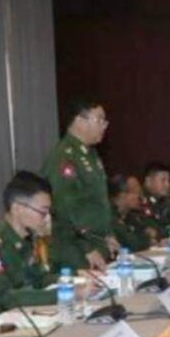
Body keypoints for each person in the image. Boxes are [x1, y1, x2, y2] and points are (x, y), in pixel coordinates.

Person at [0, 171, 59, 314]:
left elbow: (39, 279)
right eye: (43, 212)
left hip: (25, 315)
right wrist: (60, 295)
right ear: (17, 209)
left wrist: (72, 282)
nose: (47, 219)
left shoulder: (27, 238)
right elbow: (5, 299)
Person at [41, 99, 117, 272]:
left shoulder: (90, 154)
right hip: (75, 248)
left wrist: (108, 234)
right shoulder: (64, 157)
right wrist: (85, 247)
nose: (105, 125)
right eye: (99, 120)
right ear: (79, 121)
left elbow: (97, 203)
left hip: (96, 243)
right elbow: (63, 209)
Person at [108, 173, 154, 252]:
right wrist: (148, 240)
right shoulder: (109, 216)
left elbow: (149, 233)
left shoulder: (131, 215)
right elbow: (132, 244)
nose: (140, 197)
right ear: (122, 195)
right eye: (135, 192)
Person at [143, 162, 170, 233]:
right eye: (163, 180)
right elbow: (151, 231)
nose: (167, 185)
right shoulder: (141, 204)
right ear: (148, 181)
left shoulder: (167, 202)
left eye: (169, 181)